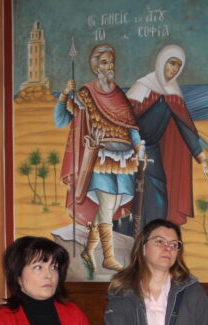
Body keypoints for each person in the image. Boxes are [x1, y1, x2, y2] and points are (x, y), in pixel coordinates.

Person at [55, 43, 144, 275]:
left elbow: (130, 126)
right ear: (96, 67)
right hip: (99, 158)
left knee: (112, 206)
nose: (109, 67)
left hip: (123, 160)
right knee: (106, 204)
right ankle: (108, 258)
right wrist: (64, 95)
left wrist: (138, 146)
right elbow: (61, 120)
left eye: (111, 62)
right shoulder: (85, 94)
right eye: (104, 62)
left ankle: (88, 251)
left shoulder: (119, 94)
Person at [126, 44, 208, 228]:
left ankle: (154, 234)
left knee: (159, 192)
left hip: (152, 150)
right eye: (171, 63)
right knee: (131, 196)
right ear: (162, 62)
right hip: (130, 149)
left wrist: (202, 159)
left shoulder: (173, 93)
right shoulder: (143, 87)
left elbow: (185, 129)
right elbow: (125, 120)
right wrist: (134, 147)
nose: (174, 69)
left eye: (178, 65)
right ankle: (134, 235)